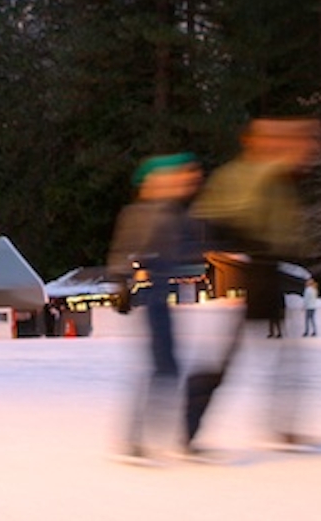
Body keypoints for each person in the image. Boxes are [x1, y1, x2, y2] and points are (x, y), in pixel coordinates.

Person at [190, 117, 321, 451]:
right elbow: (217, 217)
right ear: (251, 141)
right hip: (250, 271)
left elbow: (292, 176)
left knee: (285, 355)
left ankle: (283, 426)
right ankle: (190, 421)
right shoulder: (243, 174)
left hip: (268, 270)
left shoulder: (274, 176)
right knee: (229, 356)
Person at [106, 153, 204, 462]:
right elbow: (123, 251)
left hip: (161, 295)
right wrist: (122, 281)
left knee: (166, 368)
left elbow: (194, 245)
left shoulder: (176, 215)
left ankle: (152, 438)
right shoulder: (142, 213)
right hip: (150, 296)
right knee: (164, 367)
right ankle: (138, 440)